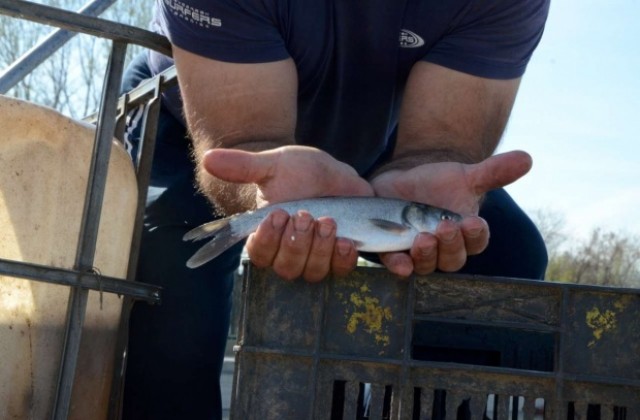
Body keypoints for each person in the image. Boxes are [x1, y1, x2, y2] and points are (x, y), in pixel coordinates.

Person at [120, 0, 550, 418]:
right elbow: (243, 141)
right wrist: (265, 202)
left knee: (507, 255)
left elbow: (436, 145)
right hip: (202, 130)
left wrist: (426, 170)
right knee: (171, 281)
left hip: (374, 141)